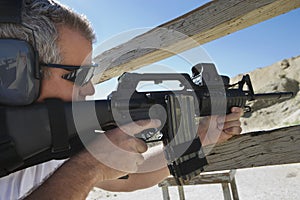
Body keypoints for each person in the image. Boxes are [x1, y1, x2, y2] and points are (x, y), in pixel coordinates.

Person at [0, 0, 243, 199]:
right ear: (16, 73)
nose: (90, 89)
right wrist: (89, 167)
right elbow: (87, 172)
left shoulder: (46, 141)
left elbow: (129, 180)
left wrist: (202, 135)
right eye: (79, 75)